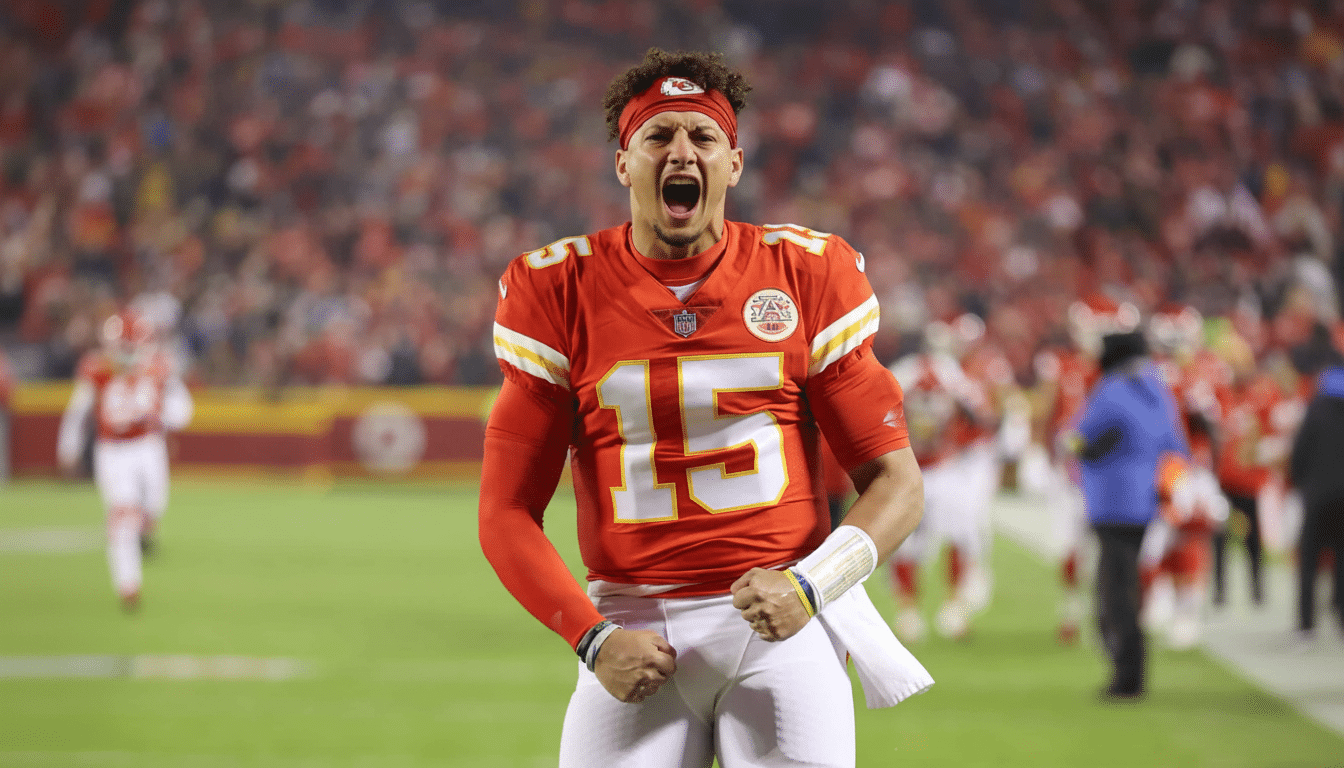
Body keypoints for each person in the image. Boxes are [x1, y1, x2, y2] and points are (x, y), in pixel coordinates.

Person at [477, 48, 931, 767]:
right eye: (658, 136)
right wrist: (593, 639)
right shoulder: (557, 289)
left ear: (734, 163)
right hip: (631, 622)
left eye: (703, 136)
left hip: (781, 621)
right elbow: (505, 511)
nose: (681, 151)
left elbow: (898, 483)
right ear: (624, 164)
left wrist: (812, 587)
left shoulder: (805, 274)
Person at [1063, 316, 1191, 700]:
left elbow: (1075, 438)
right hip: (1145, 501)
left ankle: (1127, 677)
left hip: (1110, 501)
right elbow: (1177, 447)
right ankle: (1131, 670)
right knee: (1127, 585)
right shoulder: (1157, 388)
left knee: (1114, 592)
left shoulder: (1111, 389)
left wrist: (1081, 449)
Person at [57, 308, 193, 611]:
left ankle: (145, 530)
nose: (127, 355)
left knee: (155, 505)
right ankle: (128, 585)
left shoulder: (158, 366)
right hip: (113, 450)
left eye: (132, 347)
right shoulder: (97, 369)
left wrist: (163, 418)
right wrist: (68, 447)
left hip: (148, 445)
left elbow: (184, 409)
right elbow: (78, 411)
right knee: (123, 515)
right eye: (122, 347)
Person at [886, 319, 997, 642]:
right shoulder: (950, 374)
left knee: (914, 541)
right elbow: (982, 417)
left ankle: (912, 611)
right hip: (937, 467)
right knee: (948, 538)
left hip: (917, 467)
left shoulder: (903, 372)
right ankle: (948, 609)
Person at [1287, 334, 1344, 641]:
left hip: (1318, 493)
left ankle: (1306, 624)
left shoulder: (1317, 404)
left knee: (1309, 560)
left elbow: (1300, 450)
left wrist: (1300, 483)